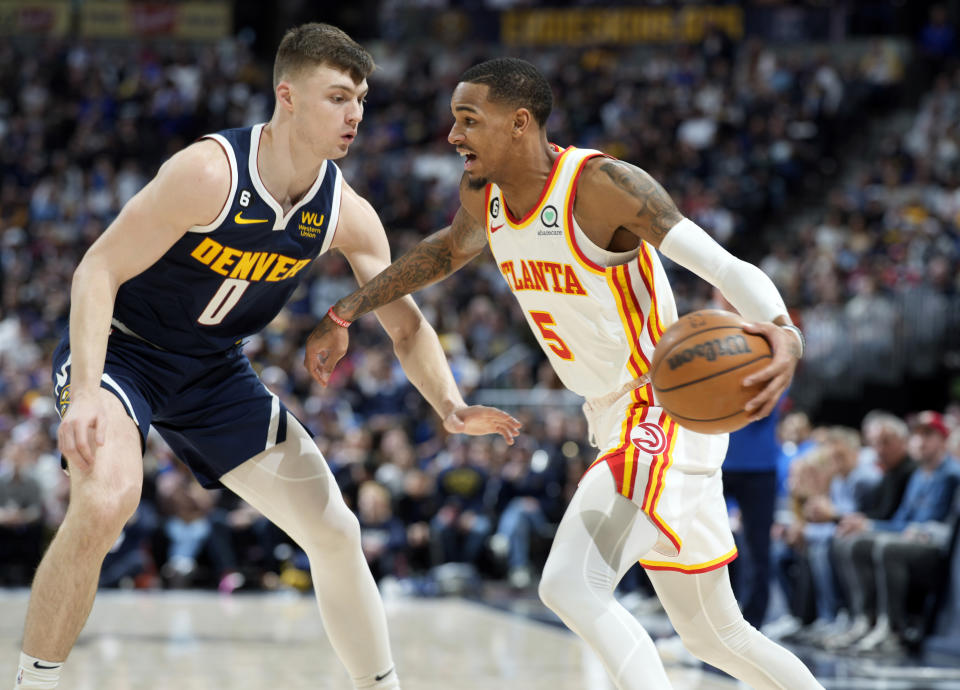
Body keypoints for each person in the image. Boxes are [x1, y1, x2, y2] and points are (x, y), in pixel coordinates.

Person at [12, 24, 520, 690]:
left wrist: (450, 406)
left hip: (215, 371)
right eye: (338, 97)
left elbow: (408, 324)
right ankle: (33, 682)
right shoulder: (208, 173)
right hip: (125, 354)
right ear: (287, 97)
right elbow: (96, 270)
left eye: (360, 99)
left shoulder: (345, 211)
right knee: (108, 498)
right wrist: (82, 393)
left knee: (335, 530)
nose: (355, 114)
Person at [305, 57, 822, 689]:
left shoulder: (602, 186)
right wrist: (346, 310)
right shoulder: (484, 195)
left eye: (469, 120)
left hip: (657, 406)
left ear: (519, 122)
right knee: (714, 634)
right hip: (610, 416)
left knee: (571, 587)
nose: (452, 136)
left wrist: (783, 330)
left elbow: (722, 265)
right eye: (453, 120)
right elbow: (444, 251)